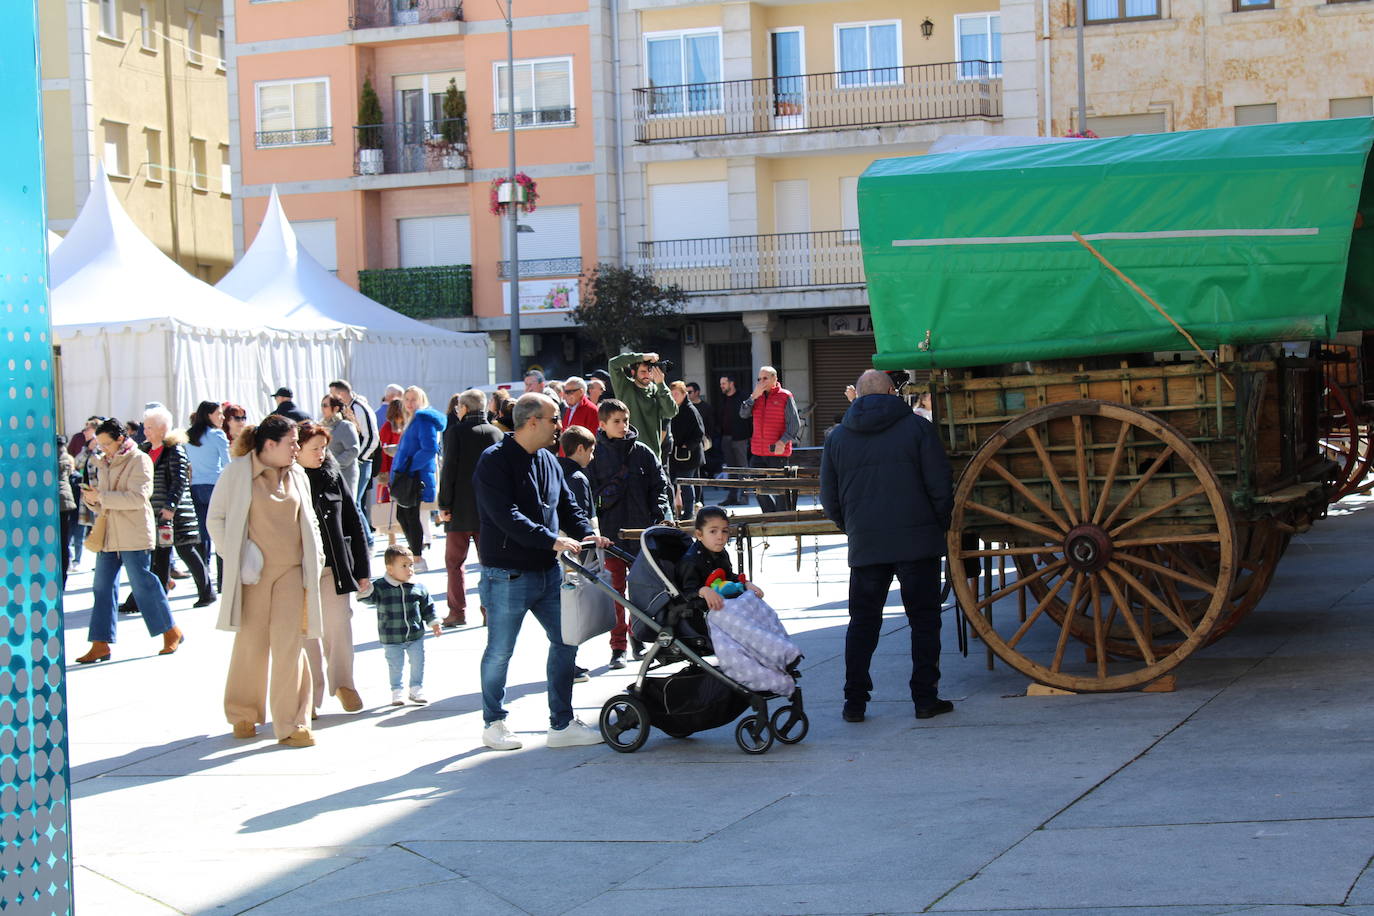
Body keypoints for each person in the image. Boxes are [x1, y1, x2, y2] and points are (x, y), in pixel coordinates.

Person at [473, 392, 609, 750]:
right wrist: (551, 540)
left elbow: (567, 504)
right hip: (506, 573)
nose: (560, 426)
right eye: (554, 419)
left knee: (567, 639)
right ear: (531, 421)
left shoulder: (549, 459)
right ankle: (494, 722)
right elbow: (505, 516)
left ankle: (561, 725)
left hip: (548, 571)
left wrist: (586, 533)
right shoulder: (494, 461)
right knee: (501, 650)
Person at [820, 369, 955, 724]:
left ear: (859, 395)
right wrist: (936, 525)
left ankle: (854, 703)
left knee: (862, 624)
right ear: (893, 392)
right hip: (917, 543)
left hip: (867, 544)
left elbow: (829, 497)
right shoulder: (918, 429)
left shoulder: (837, 438)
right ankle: (925, 698)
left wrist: (852, 528)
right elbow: (941, 486)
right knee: (924, 623)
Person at [208, 415, 324, 748]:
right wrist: (237, 555)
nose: (297, 448)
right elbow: (215, 519)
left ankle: (292, 722)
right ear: (269, 445)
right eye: (291, 443)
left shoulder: (298, 474)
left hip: (291, 573)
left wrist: (315, 562)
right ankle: (243, 713)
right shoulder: (236, 473)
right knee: (251, 644)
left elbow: (310, 522)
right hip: (252, 575)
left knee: (290, 644)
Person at [75, 418, 185, 664]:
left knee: (143, 584)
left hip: (134, 533)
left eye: (106, 443)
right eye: (99, 443)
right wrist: (92, 499)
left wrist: (101, 496)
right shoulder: (104, 462)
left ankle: (170, 631)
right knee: (102, 588)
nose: (102, 448)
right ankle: (100, 643)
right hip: (109, 534)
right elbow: (105, 500)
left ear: (121, 440)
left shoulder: (140, 459)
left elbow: (138, 498)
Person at [585, 398, 673, 670]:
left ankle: (639, 637)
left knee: (642, 591)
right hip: (610, 536)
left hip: (641, 535)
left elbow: (660, 485)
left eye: (625, 420)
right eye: (616, 422)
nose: (623, 426)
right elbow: (586, 493)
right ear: (602, 425)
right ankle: (617, 647)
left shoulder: (644, 452)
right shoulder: (595, 454)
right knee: (616, 594)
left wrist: (660, 512)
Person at [297, 421, 371, 715]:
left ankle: (344, 685)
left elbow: (353, 517)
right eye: (314, 448)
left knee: (339, 625)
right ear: (297, 449)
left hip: (334, 566)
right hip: (299, 569)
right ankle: (309, 698)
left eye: (323, 447)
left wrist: (362, 569)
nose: (321, 453)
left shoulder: (331, 473)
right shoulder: (287, 479)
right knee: (305, 634)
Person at [436, 388, 503, 628]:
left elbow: (449, 470)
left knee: (455, 563)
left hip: (460, 509)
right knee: (489, 563)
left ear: (463, 408)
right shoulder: (497, 433)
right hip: (489, 511)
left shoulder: (456, 432)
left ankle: (457, 612)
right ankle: (490, 610)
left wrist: (444, 504)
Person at [138, 406, 215, 608]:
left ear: (162, 428)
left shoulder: (174, 449)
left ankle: (207, 592)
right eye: (145, 427)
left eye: (149, 427)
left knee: (186, 550)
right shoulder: (145, 450)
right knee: (160, 554)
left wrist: (171, 506)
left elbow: (179, 482)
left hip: (177, 513)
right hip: (155, 511)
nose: (145, 431)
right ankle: (158, 594)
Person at [357, 545, 441, 705]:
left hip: (415, 635)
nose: (409, 569)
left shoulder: (418, 587)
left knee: (418, 662)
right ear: (390, 569)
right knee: (395, 665)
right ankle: (397, 690)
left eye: (411, 565)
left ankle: (416, 688)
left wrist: (434, 622)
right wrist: (363, 590)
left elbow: (428, 606)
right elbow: (366, 598)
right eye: (404, 566)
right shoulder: (381, 587)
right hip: (391, 637)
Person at [390, 386, 445, 564]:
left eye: (414, 399)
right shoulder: (413, 419)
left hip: (415, 476)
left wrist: (409, 466)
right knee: (404, 515)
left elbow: (429, 449)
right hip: (409, 474)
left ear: (422, 400)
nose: (409, 403)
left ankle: (417, 556)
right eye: (407, 399)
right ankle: (415, 553)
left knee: (410, 516)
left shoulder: (422, 419)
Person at [740, 366, 801, 514]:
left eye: (765, 378)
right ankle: (769, 515)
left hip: (777, 451)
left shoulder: (785, 396)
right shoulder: (756, 397)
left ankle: (782, 516)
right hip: (757, 450)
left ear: (775, 379)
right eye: (759, 379)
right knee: (758, 487)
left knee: (779, 489)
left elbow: (795, 424)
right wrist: (753, 397)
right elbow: (743, 414)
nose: (761, 382)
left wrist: (782, 441)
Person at [678, 505, 764, 607]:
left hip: (725, 605)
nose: (720, 536)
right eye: (713, 531)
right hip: (702, 612)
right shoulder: (691, 560)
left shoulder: (721, 553)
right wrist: (703, 591)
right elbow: (686, 592)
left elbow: (728, 577)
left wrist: (746, 583)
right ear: (699, 534)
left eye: (724, 531)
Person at [329, 380, 379, 546]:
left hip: (360, 462)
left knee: (354, 503)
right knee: (355, 503)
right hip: (354, 462)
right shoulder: (352, 408)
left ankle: (367, 541)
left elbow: (372, 437)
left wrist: (360, 458)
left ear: (341, 394)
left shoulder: (359, 407)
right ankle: (364, 540)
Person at [186, 400, 230, 583]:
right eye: (219, 413)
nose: (222, 417)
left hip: (195, 486)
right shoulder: (217, 434)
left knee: (202, 534)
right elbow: (227, 463)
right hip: (215, 486)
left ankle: (203, 581)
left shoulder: (188, 435)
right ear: (208, 415)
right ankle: (222, 580)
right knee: (221, 533)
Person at [608, 351, 678, 464]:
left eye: (649, 371)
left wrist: (661, 384)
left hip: (653, 455)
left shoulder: (657, 389)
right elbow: (613, 363)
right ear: (633, 372)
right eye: (642, 371)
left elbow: (671, 412)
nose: (646, 374)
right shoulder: (624, 386)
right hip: (630, 454)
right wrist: (642, 356)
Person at [667, 380, 706, 515]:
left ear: (684, 394)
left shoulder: (690, 410)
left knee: (686, 484)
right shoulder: (672, 409)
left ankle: (688, 513)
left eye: (676, 393)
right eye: (671, 394)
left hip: (689, 455)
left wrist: (687, 446)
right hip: (675, 455)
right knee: (672, 483)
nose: (674, 396)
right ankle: (673, 512)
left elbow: (699, 433)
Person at [715, 375, 753, 505]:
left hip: (740, 438)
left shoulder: (742, 397)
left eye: (724, 383)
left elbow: (748, 417)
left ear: (732, 383)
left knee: (743, 468)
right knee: (730, 469)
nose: (722, 386)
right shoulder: (723, 399)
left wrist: (750, 435)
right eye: (721, 384)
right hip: (726, 437)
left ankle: (744, 497)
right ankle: (732, 496)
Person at [373, 399, 406, 547]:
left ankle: (398, 536)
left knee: (398, 504)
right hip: (393, 472)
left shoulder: (403, 426)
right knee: (389, 504)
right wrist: (384, 473)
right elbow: (383, 452)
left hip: (398, 470)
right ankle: (392, 538)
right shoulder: (387, 427)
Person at [320, 394, 361, 500]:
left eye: (325, 405)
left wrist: (334, 464)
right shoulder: (321, 426)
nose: (322, 408)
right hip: (328, 475)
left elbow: (353, 450)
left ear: (336, 408)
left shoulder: (345, 426)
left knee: (349, 509)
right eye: (321, 405)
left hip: (345, 474)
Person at [687, 381, 720, 475]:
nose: (687, 394)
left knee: (704, 462)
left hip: (704, 440)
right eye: (686, 392)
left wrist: (707, 439)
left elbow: (711, 425)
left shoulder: (706, 407)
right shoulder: (685, 407)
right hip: (689, 441)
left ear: (697, 392)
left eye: (690, 392)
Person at [57, 437, 77, 588]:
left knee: (62, 542)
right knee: (64, 541)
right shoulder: (64, 455)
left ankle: (61, 578)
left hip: (58, 501)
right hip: (64, 501)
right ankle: (63, 577)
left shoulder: (54, 455)